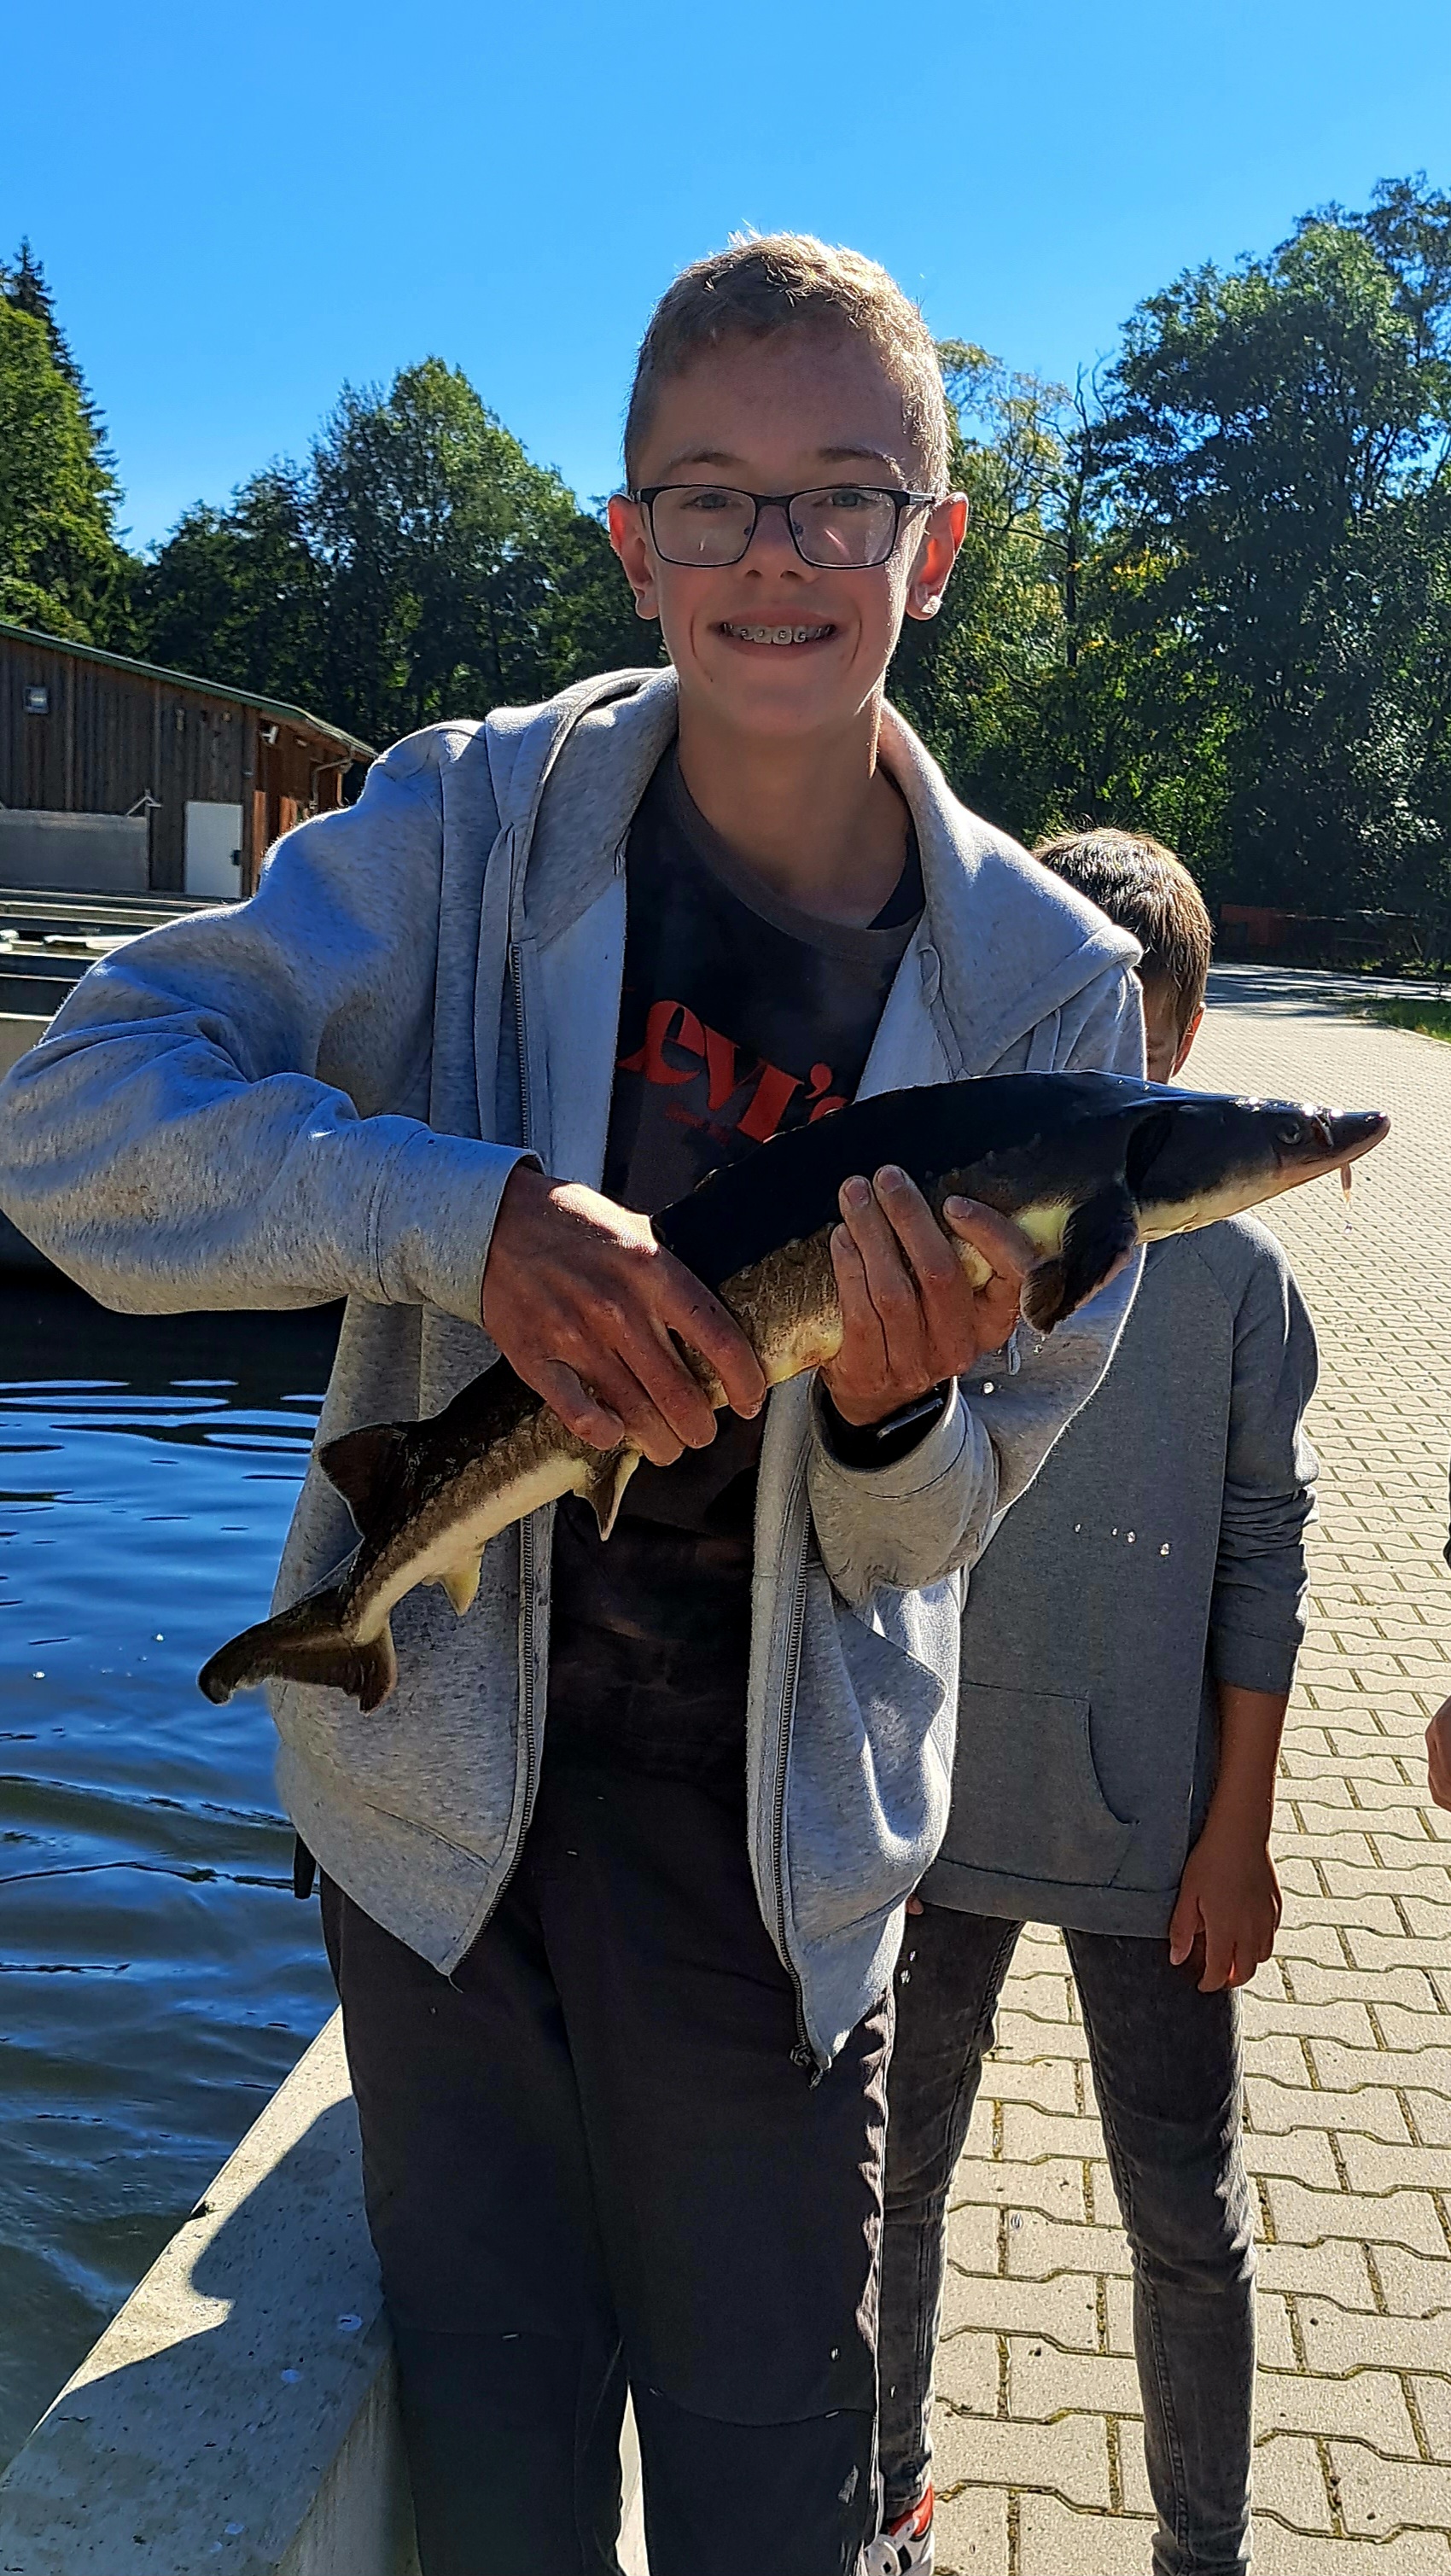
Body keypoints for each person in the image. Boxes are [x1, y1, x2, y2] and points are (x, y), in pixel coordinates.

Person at [0, 239, 1145, 2576]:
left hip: (769, 1885)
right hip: (435, 1854)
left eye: (842, 497)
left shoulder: (1054, 997)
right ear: (630, 541)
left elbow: (940, 1534)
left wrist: (894, 1423)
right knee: (499, 2477)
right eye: (709, 497)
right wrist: (466, 1218)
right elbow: (65, 1125)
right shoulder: (464, 824)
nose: (774, 556)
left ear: (934, 545)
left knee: (764, 2493)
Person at [868, 830, 1319, 2576]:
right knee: (890, 2188)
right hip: (932, 1820)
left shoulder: (1239, 1285)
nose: (1113, 1061)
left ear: (1189, 1040)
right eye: (1073, 1026)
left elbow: (1260, 1555)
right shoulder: (940, 1254)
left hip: (1155, 1839)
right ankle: (885, 2502)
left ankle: (1203, 2545)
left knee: (1186, 2221)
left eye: (1143, 1029)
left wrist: (1239, 1832)